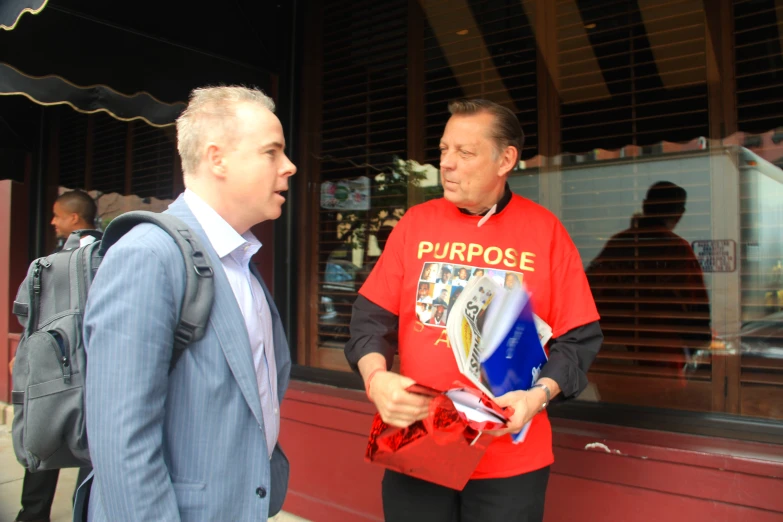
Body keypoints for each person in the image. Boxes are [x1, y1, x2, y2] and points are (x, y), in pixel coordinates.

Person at [345, 98, 603, 522]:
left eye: (464, 152)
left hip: (510, 457)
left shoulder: (545, 232)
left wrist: (538, 398)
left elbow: (579, 340)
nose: (446, 164)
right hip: (419, 442)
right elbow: (370, 320)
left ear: (506, 159)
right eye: (444, 150)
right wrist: (376, 380)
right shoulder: (415, 224)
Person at [78, 86, 296, 521]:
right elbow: (122, 440)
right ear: (217, 159)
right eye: (272, 152)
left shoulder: (237, 258)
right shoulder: (148, 255)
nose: (289, 167)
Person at [12, 190, 96, 522]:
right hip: (100, 370)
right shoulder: (114, 253)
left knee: (43, 436)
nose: (52, 221)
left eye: (57, 215)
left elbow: (28, 315)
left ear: (74, 218)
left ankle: (33, 515)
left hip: (56, 369)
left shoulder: (52, 263)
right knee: (90, 450)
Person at [586, 181, 711, 372]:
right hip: (662, 353)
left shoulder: (617, 245)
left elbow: (589, 292)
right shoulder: (677, 250)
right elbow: (698, 308)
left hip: (614, 351)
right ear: (679, 213)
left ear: (645, 205)